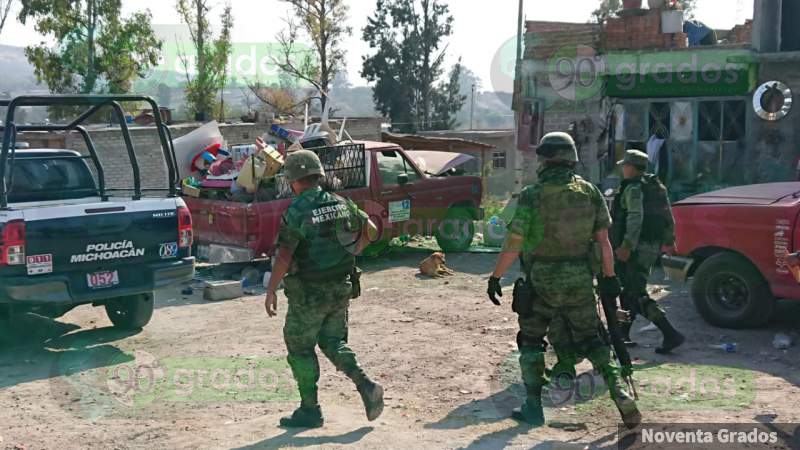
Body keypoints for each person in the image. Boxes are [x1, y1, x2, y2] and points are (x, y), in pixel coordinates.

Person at [486, 132, 641, 428]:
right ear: (572, 159)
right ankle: (619, 392)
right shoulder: (591, 192)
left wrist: (495, 277)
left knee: (531, 341)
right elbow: (604, 243)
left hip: (540, 281)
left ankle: (533, 406)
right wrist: (609, 278)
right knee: (594, 339)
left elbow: (514, 241)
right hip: (581, 280)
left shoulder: (532, 195)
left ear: (543, 159)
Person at [264, 150, 384, 428]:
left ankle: (310, 410)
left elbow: (284, 255)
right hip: (340, 287)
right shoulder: (342, 202)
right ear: (318, 175)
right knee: (333, 342)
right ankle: (367, 385)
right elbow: (373, 230)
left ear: (293, 180)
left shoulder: (296, 211)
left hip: (309, 293)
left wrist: (271, 289)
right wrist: (354, 249)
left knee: (299, 347)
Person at [613, 150, 684, 354]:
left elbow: (635, 218)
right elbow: (668, 214)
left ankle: (670, 333)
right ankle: (622, 334)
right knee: (629, 289)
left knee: (635, 293)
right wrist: (669, 240)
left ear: (632, 168)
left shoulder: (634, 189)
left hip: (636, 247)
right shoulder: (655, 187)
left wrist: (627, 245)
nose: (623, 169)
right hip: (650, 246)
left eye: (625, 165)